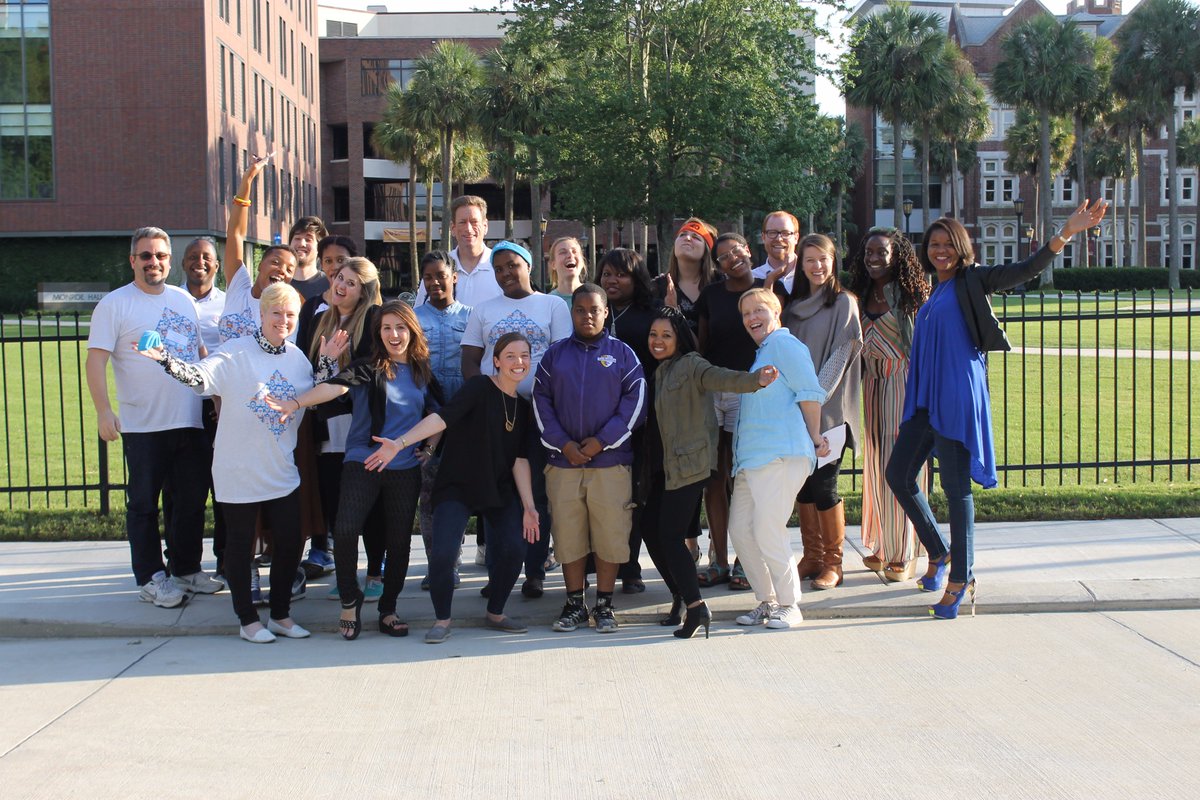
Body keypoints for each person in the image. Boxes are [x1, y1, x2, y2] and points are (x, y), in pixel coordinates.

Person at [886, 200, 1108, 619]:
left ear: (961, 247)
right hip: (925, 399)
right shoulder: (935, 290)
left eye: (947, 244)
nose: (939, 251)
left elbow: (1024, 271)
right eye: (933, 244)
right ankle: (939, 551)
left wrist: (1066, 233)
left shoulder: (973, 280)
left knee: (955, 489)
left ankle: (961, 576)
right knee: (898, 474)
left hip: (955, 397)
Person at [137, 282, 346, 642]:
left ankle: (280, 614)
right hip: (237, 468)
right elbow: (200, 378)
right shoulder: (236, 352)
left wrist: (326, 361)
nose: (283, 320)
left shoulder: (297, 357)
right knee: (240, 544)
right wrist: (167, 360)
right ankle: (247, 619)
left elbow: (315, 395)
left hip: (280, 470)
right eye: (276, 313)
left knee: (290, 542)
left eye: (290, 314)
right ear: (262, 314)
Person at [271, 300, 441, 640]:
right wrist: (296, 402)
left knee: (399, 542)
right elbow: (335, 386)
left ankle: (388, 609)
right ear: (378, 333)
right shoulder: (369, 367)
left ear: (412, 331)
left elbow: (438, 416)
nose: (394, 334)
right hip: (362, 460)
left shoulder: (423, 372)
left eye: (401, 327)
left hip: (403, 466)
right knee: (346, 530)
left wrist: (427, 449)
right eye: (387, 328)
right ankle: (350, 600)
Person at [85, 226, 219, 608]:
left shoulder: (181, 300)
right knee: (144, 504)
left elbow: (199, 350)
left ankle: (186, 569)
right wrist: (103, 411)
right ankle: (150, 577)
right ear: (133, 260)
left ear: (168, 260)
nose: (154, 262)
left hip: (189, 420)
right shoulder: (115, 304)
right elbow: (95, 361)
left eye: (160, 255)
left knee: (191, 501)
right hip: (144, 426)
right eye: (146, 256)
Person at [385, 332, 541, 643]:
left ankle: (495, 612)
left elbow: (519, 460)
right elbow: (442, 419)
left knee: (515, 548)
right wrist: (401, 442)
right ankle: (442, 620)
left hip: (498, 488)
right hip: (458, 484)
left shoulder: (524, 408)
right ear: (495, 361)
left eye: (523, 355)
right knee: (442, 555)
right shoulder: (479, 387)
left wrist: (528, 507)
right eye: (510, 356)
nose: (518, 362)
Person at [642, 307, 777, 639]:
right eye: (653, 335)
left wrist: (754, 380)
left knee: (672, 537)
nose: (658, 341)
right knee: (651, 529)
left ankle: (695, 606)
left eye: (666, 335)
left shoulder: (691, 365)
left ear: (680, 339)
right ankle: (682, 595)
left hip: (690, 464)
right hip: (665, 466)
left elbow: (722, 377)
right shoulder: (662, 370)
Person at [534, 284, 647, 633]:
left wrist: (601, 442)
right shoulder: (555, 356)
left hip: (610, 464)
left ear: (605, 312)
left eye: (594, 310)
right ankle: (573, 604)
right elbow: (541, 402)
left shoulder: (623, 354)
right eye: (580, 310)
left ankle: (605, 604)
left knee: (611, 535)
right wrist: (563, 444)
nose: (587, 316)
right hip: (563, 463)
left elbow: (635, 403)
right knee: (569, 536)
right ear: (572, 313)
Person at [462, 240, 571, 597]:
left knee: (537, 493)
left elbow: (563, 359)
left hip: (540, 413)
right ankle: (498, 573)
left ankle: (535, 570)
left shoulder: (552, 304)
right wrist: (485, 401)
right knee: (497, 492)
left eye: (513, 265)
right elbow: (470, 359)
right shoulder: (484, 309)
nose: (506, 273)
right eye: (499, 269)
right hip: (498, 412)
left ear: (528, 266)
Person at [729, 288, 828, 630]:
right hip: (751, 460)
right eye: (745, 314)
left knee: (768, 530)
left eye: (759, 311)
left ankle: (790, 604)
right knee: (740, 531)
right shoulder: (762, 354)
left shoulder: (784, 345)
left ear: (776, 313)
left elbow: (810, 392)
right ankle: (767, 600)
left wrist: (816, 437)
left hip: (780, 454)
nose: (752, 318)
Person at [777, 233, 863, 591]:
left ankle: (833, 562)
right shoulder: (793, 307)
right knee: (805, 488)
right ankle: (811, 557)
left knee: (825, 487)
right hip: (794, 411)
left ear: (833, 261)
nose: (817, 266)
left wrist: (811, 400)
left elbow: (840, 358)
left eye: (823, 259)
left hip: (828, 411)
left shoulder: (844, 303)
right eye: (809, 259)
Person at [846, 227, 930, 581]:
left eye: (881, 252)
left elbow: (924, 343)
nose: (874, 258)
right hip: (871, 384)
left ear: (897, 254)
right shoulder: (860, 293)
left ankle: (905, 552)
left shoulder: (910, 293)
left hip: (903, 383)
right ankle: (882, 545)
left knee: (902, 467)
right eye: (868, 252)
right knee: (878, 465)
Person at [296, 256, 383, 590]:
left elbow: (370, 370)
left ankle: (375, 572)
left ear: (363, 291)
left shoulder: (373, 319)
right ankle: (347, 572)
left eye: (350, 282)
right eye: (338, 278)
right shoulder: (321, 320)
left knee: (370, 504)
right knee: (337, 504)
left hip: (361, 424)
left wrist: (333, 364)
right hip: (326, 428)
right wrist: (325, 361)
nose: (340, 286)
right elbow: (310, 371)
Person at [694, 233, 765, 591]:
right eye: (722, 257)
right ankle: (718, 559)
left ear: (748, 251)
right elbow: (702, 345)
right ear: (717, 265)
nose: (731, 259)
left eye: (736, 251)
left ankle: (744, 560)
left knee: (743, 479)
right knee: (714, 479)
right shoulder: (711, 296)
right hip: (714, 391)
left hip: (749, 391)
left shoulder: (767, 291)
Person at [599, 248, 662, 592]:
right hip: (597, 419)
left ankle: (630, 566)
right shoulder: (593, 311)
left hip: (641, 418)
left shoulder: (650, 314)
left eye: (620, 274)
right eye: (607, 273)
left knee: (635, 493)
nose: (612, 280)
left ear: (636, 277)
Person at [414, 250, 472, 590]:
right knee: (429, 493)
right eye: (428, 277)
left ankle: (455, 555)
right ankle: (439, 563)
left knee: (462, 490)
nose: (435, 282)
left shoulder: (472, 316)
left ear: (454, 277)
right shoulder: (413, 317)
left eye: (440, 274)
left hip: (465, 415)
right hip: (427, 418)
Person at [180, 236, 227, 577]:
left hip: (219, 409)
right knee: (186, 493)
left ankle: (227, 562)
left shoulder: (227, 304)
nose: (200, 261)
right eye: (193, 256)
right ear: (183, 263)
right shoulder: (169, 300)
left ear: (217, 265)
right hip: (180, 410)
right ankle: (184, 566)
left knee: (224, 488)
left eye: (207, 257)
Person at [219, 156, 299, 344]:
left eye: (289, 269)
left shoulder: (288, 311)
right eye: (276, 262)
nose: (282, 270)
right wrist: (247, 180)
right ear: (259, 266)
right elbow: (235, 234)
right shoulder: (239, 288)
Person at [414, 195, 500, 308]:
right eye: (462, 222)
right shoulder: (439, 268)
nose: (468, 229)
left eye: (474, 221)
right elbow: (418, 315)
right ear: (453, 228)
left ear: (485, 226)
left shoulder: (500, 267)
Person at [657, 218, 718, 333]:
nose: (687, 238)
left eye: (696, 237)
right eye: (682, 235)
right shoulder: (657, 287)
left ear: (706, 250)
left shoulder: (721, 283)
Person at [752, 211, 801, 296]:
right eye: (772, 233)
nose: (779, 238)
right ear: (763, 237)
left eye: (785, 233)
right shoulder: (753, 278)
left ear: (796, 238)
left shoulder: (810, 273)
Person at [287, 216, 331, 301]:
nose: (301, 244)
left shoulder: (331, 285)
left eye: (308, 239)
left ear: (320, 248)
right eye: (297, 238)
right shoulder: (280, 284)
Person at [547, 236, 588, 304]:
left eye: (574, 251)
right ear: (553, 264)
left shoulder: (596, 296)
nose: (570, 255)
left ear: (582, 262)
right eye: (563, 252)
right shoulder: (547, 302)